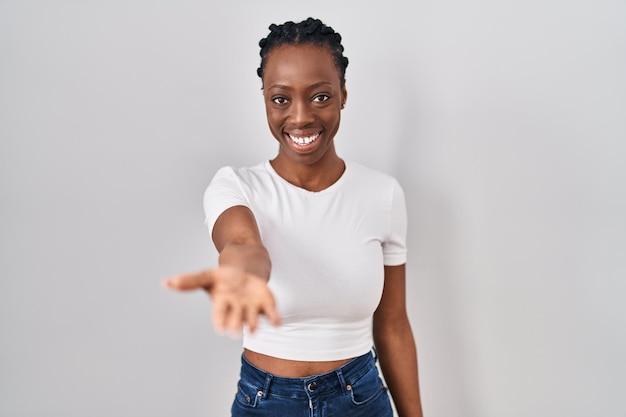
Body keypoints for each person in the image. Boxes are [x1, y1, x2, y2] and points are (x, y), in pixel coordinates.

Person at [165, 17, 424, 417]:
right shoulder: (237, 185)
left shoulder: (382, 194)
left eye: (320, 96)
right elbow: (242, 244)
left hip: (362, 400)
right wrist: (241, 273)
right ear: (266, 100)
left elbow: (392, 324)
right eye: (281, 99)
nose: (300, 117)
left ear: (343, 95)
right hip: (267, 403)